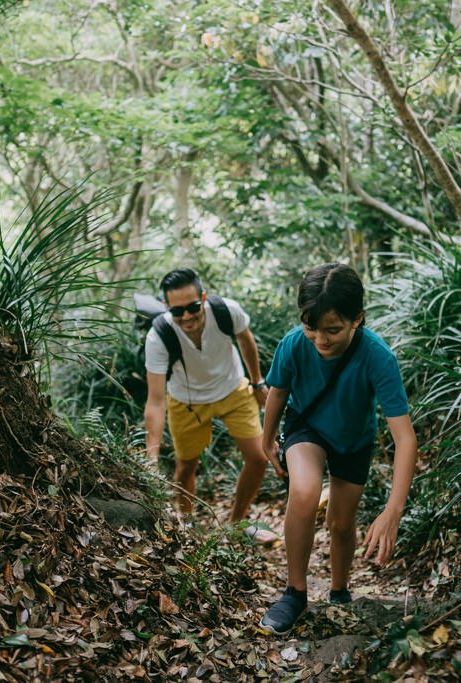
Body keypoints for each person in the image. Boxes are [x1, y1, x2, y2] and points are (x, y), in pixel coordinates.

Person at [258, 262, 417, 634]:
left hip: (353, 439)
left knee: (342, 523)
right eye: (311, 327)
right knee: (305, 490)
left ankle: (339, 589)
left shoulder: (378, 356)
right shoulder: (293, 344)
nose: (320, 340)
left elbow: (405, 439)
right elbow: (278, 392)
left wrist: (393, 510)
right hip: (306, 427)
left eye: (333, 330)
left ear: (357, 319)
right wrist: (267, 438)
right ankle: (294, 593)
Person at [143, 267, 276, 543]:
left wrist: (257, 382)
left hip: (233, 389)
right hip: (186, 401)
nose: (187, 316)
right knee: (186, 466)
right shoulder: (158, 336)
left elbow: (245, 339)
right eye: (177, 311)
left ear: (203, 297)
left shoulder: (227, 311)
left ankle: (236, 524)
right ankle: (189, 528)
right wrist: (151, 457)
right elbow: (155, 400)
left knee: (258, 458)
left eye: (193, 307)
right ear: (166, 307)